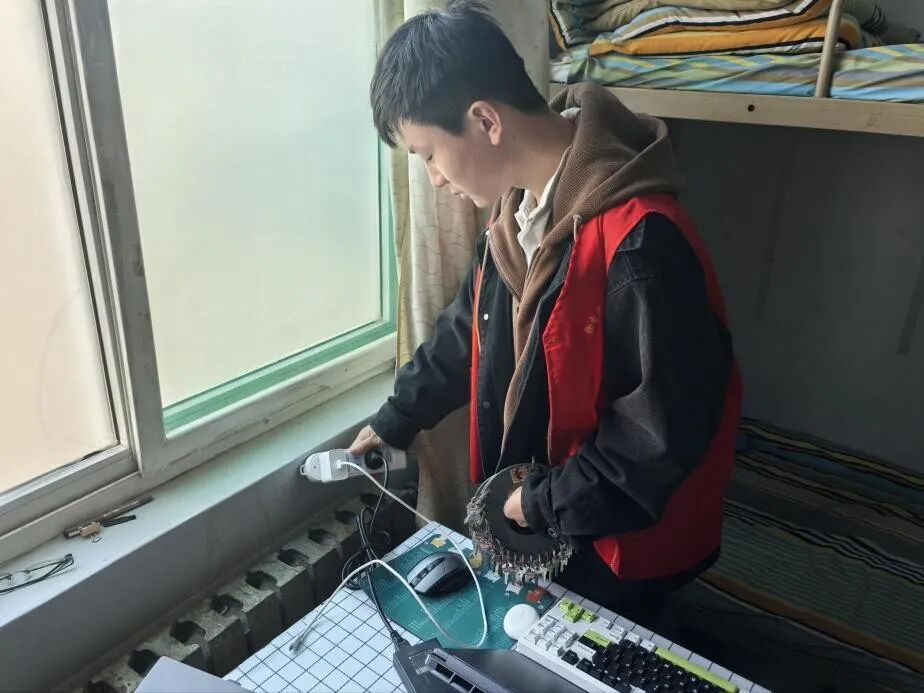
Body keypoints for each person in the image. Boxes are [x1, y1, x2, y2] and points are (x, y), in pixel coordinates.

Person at [351, 0, 741, 621]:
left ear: (485, 120)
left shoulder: (641, 242)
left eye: (428, 154)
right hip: (556, 511)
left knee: (607, 647)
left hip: (620, 540)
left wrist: (540, 504)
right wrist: (396, 417)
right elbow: (467, 330)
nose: (435, 180)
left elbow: (659, 436)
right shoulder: (516, 216)